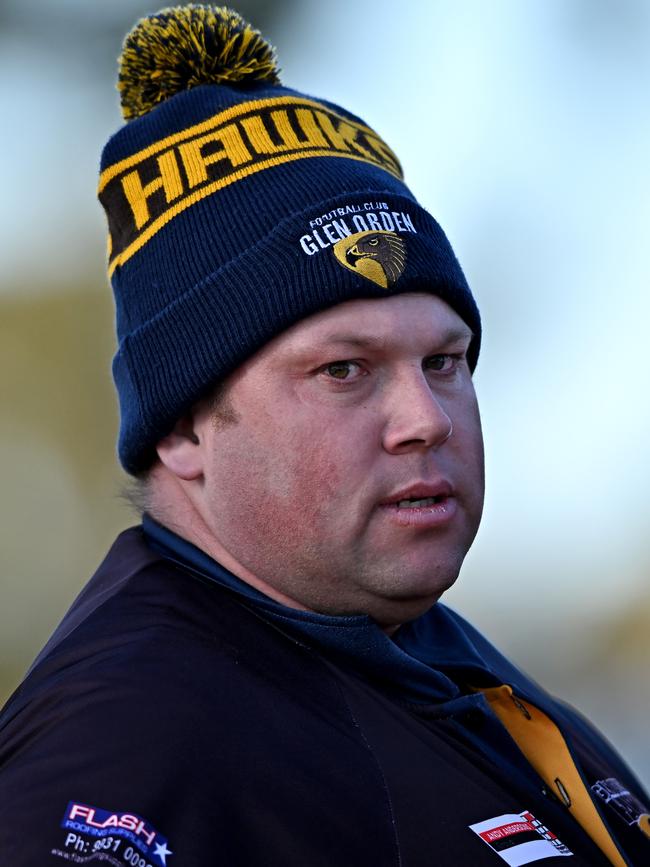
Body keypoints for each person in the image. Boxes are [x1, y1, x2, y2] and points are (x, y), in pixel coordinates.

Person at [0, 6, 647, 866]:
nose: (426, 419)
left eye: (445, 361)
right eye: (346, 370)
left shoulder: (471, 685)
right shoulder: (130, 741)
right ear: (185, 428)